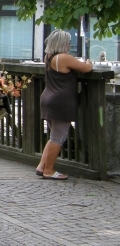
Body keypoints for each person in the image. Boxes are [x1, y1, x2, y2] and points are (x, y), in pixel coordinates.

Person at [36, 29, 93, 180]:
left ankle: (42, 166)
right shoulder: (64, 58)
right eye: (68, 42)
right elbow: (87, 68)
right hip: (61, 101)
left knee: (54, 136)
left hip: (48, 98)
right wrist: (88, 62)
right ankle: (49, 170)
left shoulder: (48, 57)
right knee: (58, 137)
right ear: (62, 44)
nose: (69, 45)